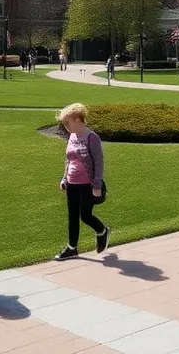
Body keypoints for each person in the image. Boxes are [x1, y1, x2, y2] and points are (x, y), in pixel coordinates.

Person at [54, 103, 110, 260]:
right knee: (72, 215)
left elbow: (99, 163)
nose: (66, 127)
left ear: (77, 119)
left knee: (85, 215)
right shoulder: (72, 137)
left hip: (88, 184)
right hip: (72, 183)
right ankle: (72, 248)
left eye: (67, 123)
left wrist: (97, 185)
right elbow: (68, 159)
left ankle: (102, 231)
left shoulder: (92, 138)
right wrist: (65, 178)